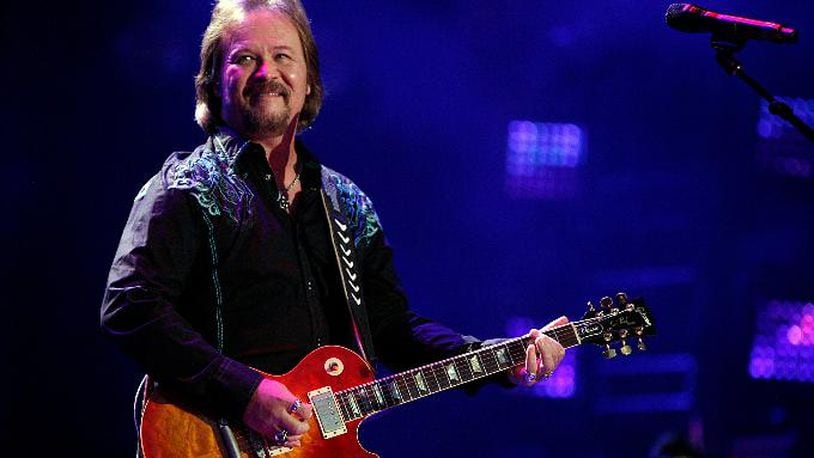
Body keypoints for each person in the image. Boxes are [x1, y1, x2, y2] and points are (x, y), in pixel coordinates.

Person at [100, 0, 567, 453]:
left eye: (284, 56)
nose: (267, 72)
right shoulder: (184, 186)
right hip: (212, 440)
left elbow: (390, 329)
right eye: (246, 58)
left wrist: (497, 359)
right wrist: (245, 393)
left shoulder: (346, 203)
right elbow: (129, 307)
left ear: (308, 82)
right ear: (213, 82)